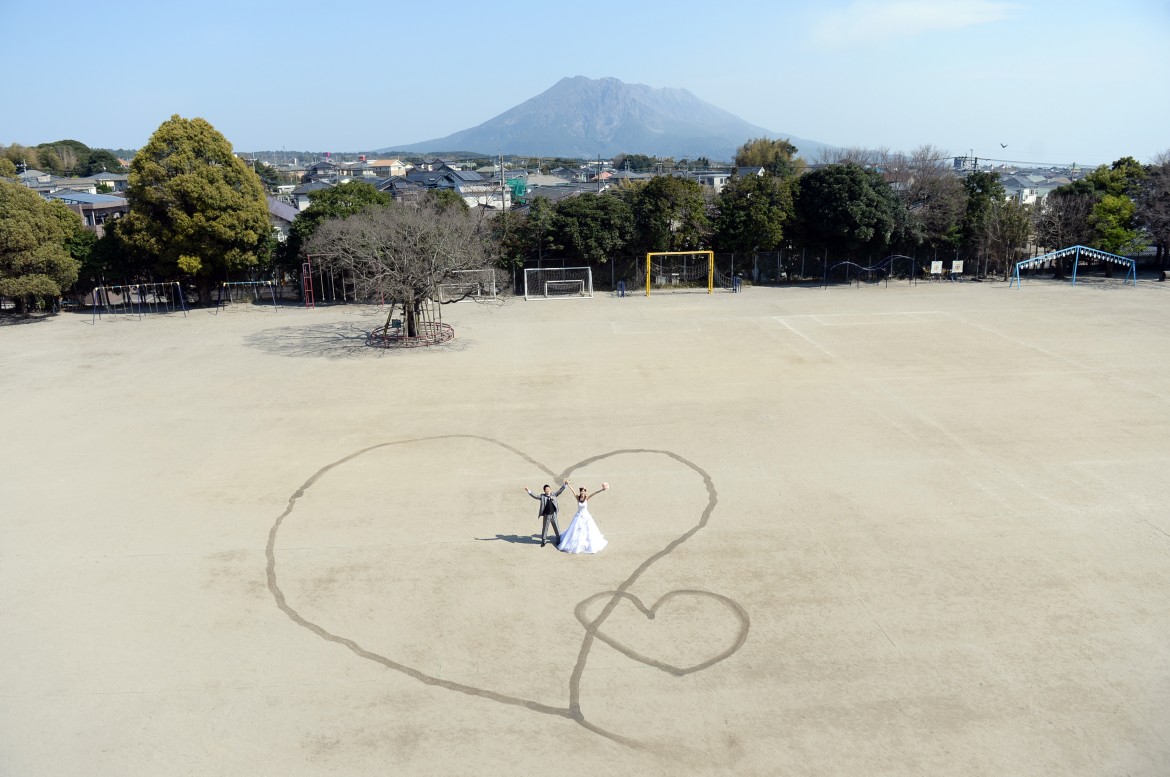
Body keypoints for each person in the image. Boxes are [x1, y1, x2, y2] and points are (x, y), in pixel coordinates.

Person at [558, 482, 609, 554]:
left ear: (585, 492)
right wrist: (568, 484)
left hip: (586, 516)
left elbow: (594, 493)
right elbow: (573, 491)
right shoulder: (577, 498)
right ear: (580, 492)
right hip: (578, 516)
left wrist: (602, 489)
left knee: (588, 530)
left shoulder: (587, 498)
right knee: (576, 530)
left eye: (584, 491)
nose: (583, 492)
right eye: (582, 491)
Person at [524, 481, 568, 547]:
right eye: (546, 489)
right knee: (545, 528)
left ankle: (558, 540)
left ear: (550, 489)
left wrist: (565, 485)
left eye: (548, 489)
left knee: (556, 527)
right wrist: (528, 490)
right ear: (544, 491)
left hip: (553, 514)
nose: (547, 490)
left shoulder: (554, 494)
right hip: (546, 515)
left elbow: (559, 491)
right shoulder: (542, 496)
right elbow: (535, 496)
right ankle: (543, 540)